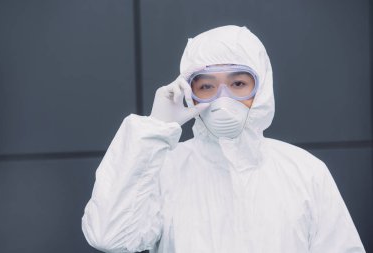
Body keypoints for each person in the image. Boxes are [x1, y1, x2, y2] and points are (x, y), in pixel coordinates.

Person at [81, 25, 366, 253]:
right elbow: (110, 237)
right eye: (206, 86)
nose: (223, 99)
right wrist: (155, 128)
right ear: (189, 93)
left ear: (262, 88)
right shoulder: (165, 169)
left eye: (238, 84)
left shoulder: (304, 171)